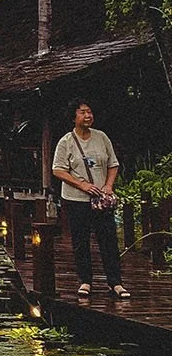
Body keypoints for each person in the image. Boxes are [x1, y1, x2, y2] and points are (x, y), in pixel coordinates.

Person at [52, 101, 130, 300]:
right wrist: (82, 185)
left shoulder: (101, 137)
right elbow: (58, 170)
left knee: (109, 240)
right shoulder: (66, 142)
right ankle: (85, 281)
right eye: (83, 112)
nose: (88, 115)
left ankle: (115, 282)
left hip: (101, 200)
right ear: (74, 117)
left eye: (90, 112)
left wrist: (108, 185)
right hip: (76, 199)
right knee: (81, 241)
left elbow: (113, 164)